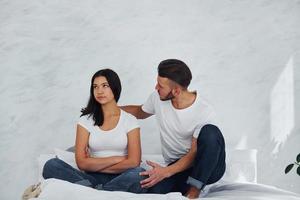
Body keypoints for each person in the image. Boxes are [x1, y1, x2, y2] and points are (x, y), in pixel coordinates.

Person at [121, 59, 226, 199]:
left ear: (176, 91)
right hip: (179, 167)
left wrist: (166, 172)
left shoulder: (204, 111)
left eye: (160, 85)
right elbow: (140, 111)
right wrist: (109, 110)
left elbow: (193, 154)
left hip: (208, 165)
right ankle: (186, 184)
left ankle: (194, 192)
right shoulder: (157, 98)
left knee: (210, 132)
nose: (156, 87)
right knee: (152, 189)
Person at [42, 69, 147, 193]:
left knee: (140, 174)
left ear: (115, 87)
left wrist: (93, 163)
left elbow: (134, 162)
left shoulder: (130, 120)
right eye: (95, 87)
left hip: (122, 176)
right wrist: (119, 158)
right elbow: (81, 163)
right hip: (91, 177)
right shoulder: (85, 120)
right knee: (51, 165)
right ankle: (102, 192)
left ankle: (93, 192)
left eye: (105, 86)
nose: (99, 91)